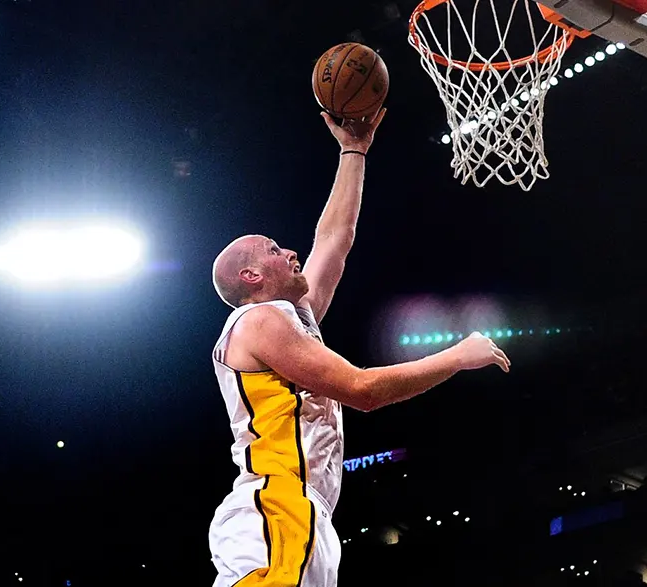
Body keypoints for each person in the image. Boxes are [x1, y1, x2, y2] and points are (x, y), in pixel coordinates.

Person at [206, 110, 512, 587]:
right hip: (277, 505)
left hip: (299, 510)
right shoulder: (258, 321)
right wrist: (456, 356)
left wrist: (355, 149)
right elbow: (362, 389)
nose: (289, 252)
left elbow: (334, 238)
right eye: (272, 249)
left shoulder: (291, 317)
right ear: (251, 277)